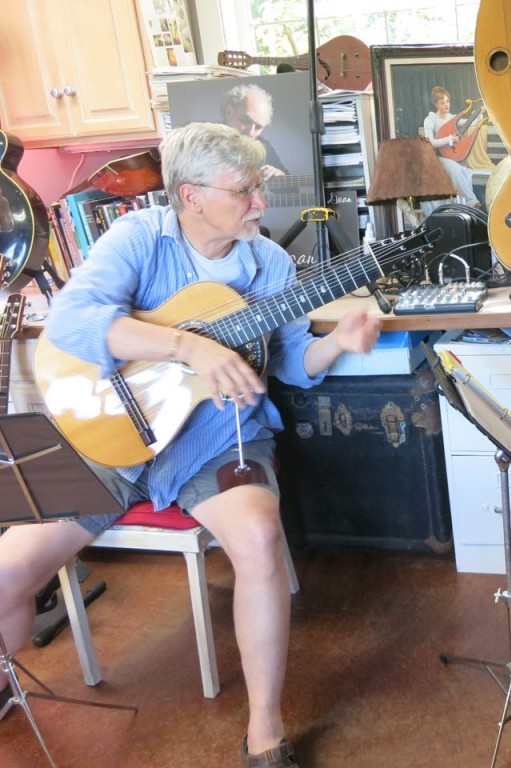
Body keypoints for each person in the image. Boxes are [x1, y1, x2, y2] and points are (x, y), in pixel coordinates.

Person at [0, 122, 381, 767]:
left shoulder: (273, 264)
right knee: (7, 572)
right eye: (245, 190)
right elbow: (72, 321)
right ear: (190, 195)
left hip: (217, 439)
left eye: (259, 186)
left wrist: (337, 344)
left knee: (260, 539)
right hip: (107, 431)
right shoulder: (138, 238)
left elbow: (289, 360)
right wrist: (186, 344)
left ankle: (265, 730)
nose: (260, 202)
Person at [422, 85, 482, 209]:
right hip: (436, 158)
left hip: (451, 156)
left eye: (448, 101)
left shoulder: (451, 118)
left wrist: (479, 113)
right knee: (454, 168)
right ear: (436, 104)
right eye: (442, 102)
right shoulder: (430, 119)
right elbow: (430, 143)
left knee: (464, 170)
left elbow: (469, 122)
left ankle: (464, 203)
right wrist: (450, 139)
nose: (446, 105)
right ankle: (471, 202)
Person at [222, 82, 289, 179]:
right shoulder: (204, 139)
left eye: (258, 127)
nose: (250, 133)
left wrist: (280, 175)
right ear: (229, 112)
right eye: (245, 121)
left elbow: (292, 189)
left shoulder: (263, 146)